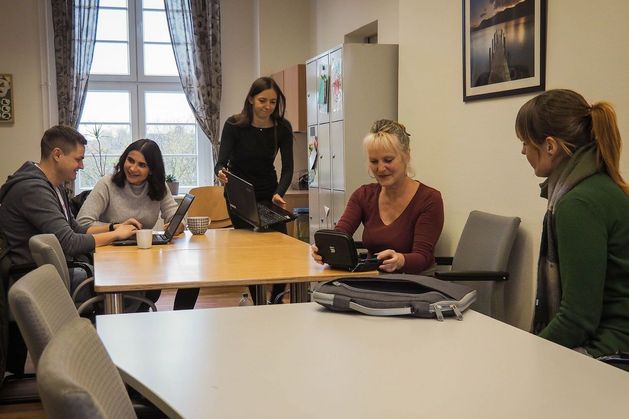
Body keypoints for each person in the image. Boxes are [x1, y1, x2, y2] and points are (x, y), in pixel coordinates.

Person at [0, 125, 138, 374]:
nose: (81, 166)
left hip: (52, 269)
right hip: (34, 277)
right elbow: (69, 242)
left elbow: (74, 228)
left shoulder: (52, 185)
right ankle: (108, 365)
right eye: (78, 159)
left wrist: (114, 227)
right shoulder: (33, 189)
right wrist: (116, 235)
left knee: (124, 278)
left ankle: (111, 360)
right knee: (125, 285)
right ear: (57, 154)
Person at [516, 89, 629, 358]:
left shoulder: (577, 204)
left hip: (613, 349)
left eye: (524, 142)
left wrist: (526, 355)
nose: (522, 151)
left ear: (550, 146)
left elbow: (577, 320)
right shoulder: (598, 186)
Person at [77, 139, 198, 310]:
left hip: (143, 261)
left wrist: (174, 226)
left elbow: (176, 219)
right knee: (140, 298)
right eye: (130, 160)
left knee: (189, 276)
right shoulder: (106, 184)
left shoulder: (158, 187)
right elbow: (82, 224)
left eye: (142, 165)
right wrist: (116, 227)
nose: (133, 168)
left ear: (151, 170)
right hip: (111, 261)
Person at [311, 120, 444, 274]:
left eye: (388, 160)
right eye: (374, 161)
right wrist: (324, 248)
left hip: (412, 283)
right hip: (373, 279)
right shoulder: (363, 195)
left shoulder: (429, 199)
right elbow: (340, 235)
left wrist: (401, 260)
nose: (380, 168)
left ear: (406, 156)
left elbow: (423, 257)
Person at [214, 77, 294, 304]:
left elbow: (288, 168)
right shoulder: (234, 125)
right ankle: (258, 300)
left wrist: (280, 192)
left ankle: (276, 299)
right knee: (249, 250)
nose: (268, 106)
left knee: (281, 249)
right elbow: (221, 163)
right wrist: (220, 173)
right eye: (262, 100)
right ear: (251, 99)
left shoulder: (282, 128)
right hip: (239, 194)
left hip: (269, 194)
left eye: (272, 101)